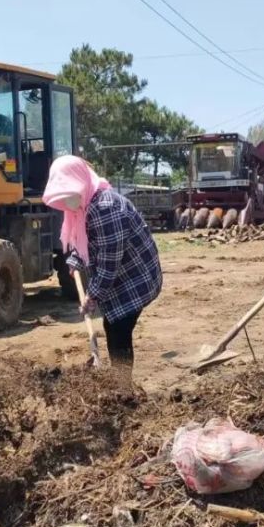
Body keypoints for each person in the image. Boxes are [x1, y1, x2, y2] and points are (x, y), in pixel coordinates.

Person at [42, 156, 162, 383]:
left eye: (70, 195)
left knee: (118, 328)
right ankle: (120, 383)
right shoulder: (86, 204)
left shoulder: (105, 208)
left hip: (136, 277)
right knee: (113, 326)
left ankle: (123, 388)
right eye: (63, 198)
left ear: (81, 183)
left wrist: (92, 296)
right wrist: (75, 261)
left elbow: (109, 263)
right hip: (121, 274)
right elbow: (85, 241)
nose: (67, 204)